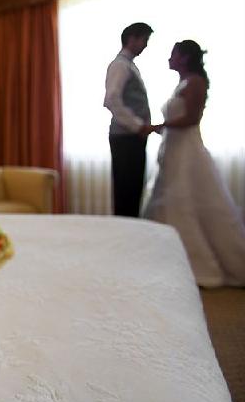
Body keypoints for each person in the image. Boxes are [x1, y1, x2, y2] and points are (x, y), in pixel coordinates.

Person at [143, 40, 245, 287]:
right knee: (169, 198)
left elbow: (191, 118)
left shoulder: (196, 82)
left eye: (174, 54)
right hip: (173, 148)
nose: (170, 58)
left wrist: (159, 126)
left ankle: (199, 265)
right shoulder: (183, 82)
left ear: (186, 57)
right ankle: (169, 259)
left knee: (183, 198)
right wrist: (161, 129)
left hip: (187, 150)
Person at [104, 22, 155, 217]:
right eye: (144, 40)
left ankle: (130, 227)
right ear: (132, 39)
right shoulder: (120, 65)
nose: (146, 45)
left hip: (130, 137)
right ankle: (126, 230)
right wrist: (138, 126)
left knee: (132, 191)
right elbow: (112, 100)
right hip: (126, 137)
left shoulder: (129, 65)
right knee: (127, 192)